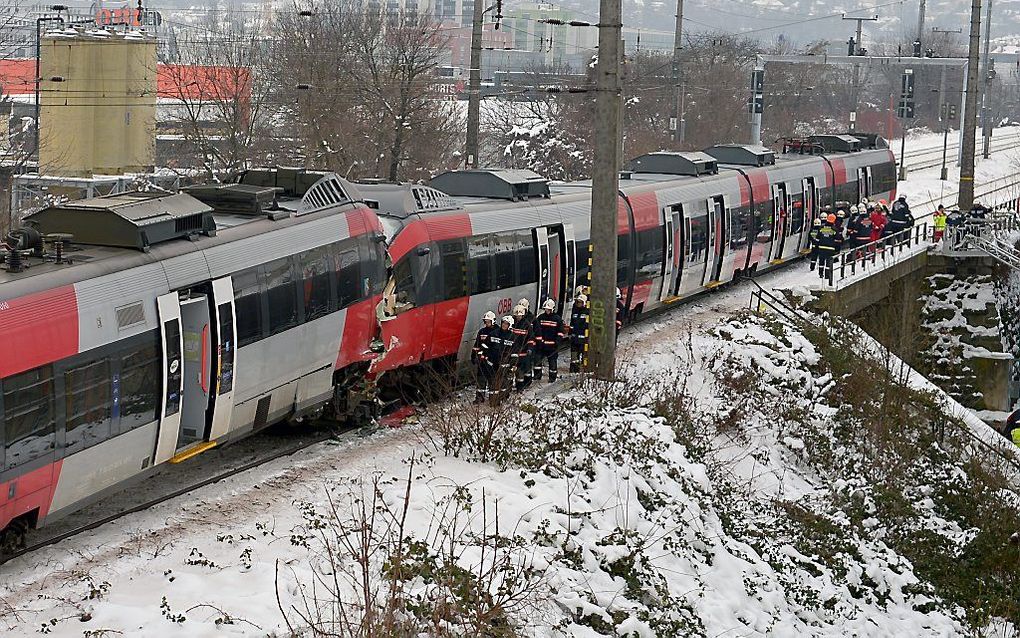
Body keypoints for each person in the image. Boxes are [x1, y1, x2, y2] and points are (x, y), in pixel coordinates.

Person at [533, 299, 567, 382]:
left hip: (552, 346)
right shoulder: (541, 317)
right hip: (542, 345)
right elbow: (536, 330)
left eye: (549, 309)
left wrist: (557, 342)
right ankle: (537, 376)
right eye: (546, 309)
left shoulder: (557, 319)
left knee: (552, 362)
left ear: (552, 309)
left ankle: (552, 378)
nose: (547, 311)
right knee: (537, 361)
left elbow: (560, 332)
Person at [488, 316, 516, 403]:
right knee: (493, 382)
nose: (504, 325)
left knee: (504, 382)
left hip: (505, 364)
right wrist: (486, 357)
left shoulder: (512, 337)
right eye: (503, 323)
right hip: (493, 362)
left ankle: (503, 398)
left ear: (510, 325)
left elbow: (515, 352)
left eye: (506, 324)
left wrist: (513, 364)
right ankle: (493, 401)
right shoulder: (494, 334)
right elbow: (486, 346)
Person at [471, 312, 497, 403]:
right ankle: (479, 397)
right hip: (482, 360)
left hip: (493, 361)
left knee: (492, 380)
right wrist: (474, 355)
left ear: (493, 321)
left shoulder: (497, 331)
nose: (487, 323)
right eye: (485, 322)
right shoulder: (482, 331)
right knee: (481, 379)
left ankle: (493, 399)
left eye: (488, 322)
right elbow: (477, 345)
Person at [509, 304, 533, 390]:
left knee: (520, 371)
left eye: (519, 316)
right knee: (511, 371)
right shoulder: (512, 324)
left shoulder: (527, 325)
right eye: (516, 316)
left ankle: (520, 388)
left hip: (523, 352)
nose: (518, 317)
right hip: (513, 352)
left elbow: (530, 338)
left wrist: (530, 348)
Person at [568, 294, 588, 373]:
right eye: (577, 302)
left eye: (580, 302)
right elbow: (572, 323)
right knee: (574, 356)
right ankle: (574, 370)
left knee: (583, 355)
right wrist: (570, 333)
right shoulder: (575, 311)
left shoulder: (587, 312)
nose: (578, 304)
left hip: (583, 340)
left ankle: (583, 369)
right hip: (574, 339)